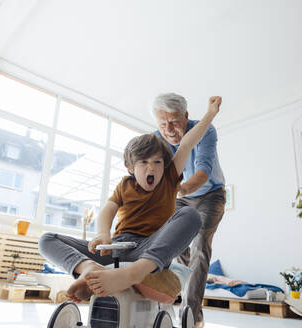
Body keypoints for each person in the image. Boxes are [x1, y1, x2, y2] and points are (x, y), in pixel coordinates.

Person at [39, 96, 222, 303]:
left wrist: (210, 113)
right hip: (115, 248)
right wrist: (103, 235)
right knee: (47, 239)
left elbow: (188, 142)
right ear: (130, 168)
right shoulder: (124, 185)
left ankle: (132, 274)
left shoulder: (169, 178)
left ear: (165, 164)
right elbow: (108, 209)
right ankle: (90, 269)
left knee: (190, 214)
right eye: (143, 162)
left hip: (147, 249)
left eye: (157, 162)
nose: (151, 167)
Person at [153, 93, 226, 328]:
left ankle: (191, 315)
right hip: (181, 199)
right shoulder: (157, 140)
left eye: (174, 121)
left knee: (201, 247)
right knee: (178, 250)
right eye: (162, 124)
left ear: (186, 115)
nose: (169, 129)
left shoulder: (206, 130)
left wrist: (181, 190)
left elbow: (203, 171)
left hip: (210, 195)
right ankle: (192, 307)